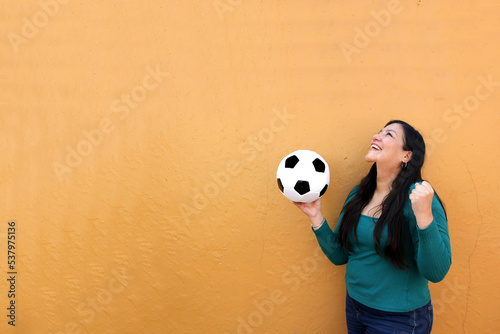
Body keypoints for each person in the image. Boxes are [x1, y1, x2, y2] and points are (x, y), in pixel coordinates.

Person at [294, 120, 451, 334]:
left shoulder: (420, 198)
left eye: (389, 135)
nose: (377, 136)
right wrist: (315, 217)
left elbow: (436, 272)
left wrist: (424, 217)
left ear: (407, 156)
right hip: (355, 307)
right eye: (379, 132)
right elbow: (340, 255)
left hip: (399, 320)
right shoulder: (359, 194)